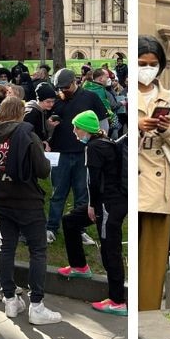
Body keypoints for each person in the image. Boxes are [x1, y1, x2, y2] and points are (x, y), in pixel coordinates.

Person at [0, 96, 61, 324]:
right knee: (38, 251)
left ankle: (10, 299)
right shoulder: (27, 134)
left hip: (1, 198)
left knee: (6, 247)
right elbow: (42, 170)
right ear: (20, 113)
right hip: (27, 199)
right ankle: (37, 305)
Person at [137, 35, 170, 312]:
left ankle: (146, 320)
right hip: (129, 186)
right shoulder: (125, 94)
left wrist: (166, 129)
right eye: (141, 63)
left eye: (152, 64)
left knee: (151, 269)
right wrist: (137, 126)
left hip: (159, 192)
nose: (147, 69)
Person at [59, 109, 127, 315]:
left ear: (86, 129)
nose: (74, 131)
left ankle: (117, 301)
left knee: (110, 250)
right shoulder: (106, 142)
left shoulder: (94, 148)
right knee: (70, 221)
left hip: (108, 204)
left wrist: (92, 206)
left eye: (76, 128)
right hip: (114, 201)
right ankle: (79, 266)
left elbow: (93, 181)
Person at [45, 68, 109, 242]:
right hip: (60, 152)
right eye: (60, 88)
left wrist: (100, 143)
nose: (63, 91)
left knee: (82, 193)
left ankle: (78, 228)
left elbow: (103, 123)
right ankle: (51, 227)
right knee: (58, 192)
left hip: (84, 153)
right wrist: (49, 127)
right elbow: (45, 125)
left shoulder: (90, 97)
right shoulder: (56, 100)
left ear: (75, 82)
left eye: (65, 87)